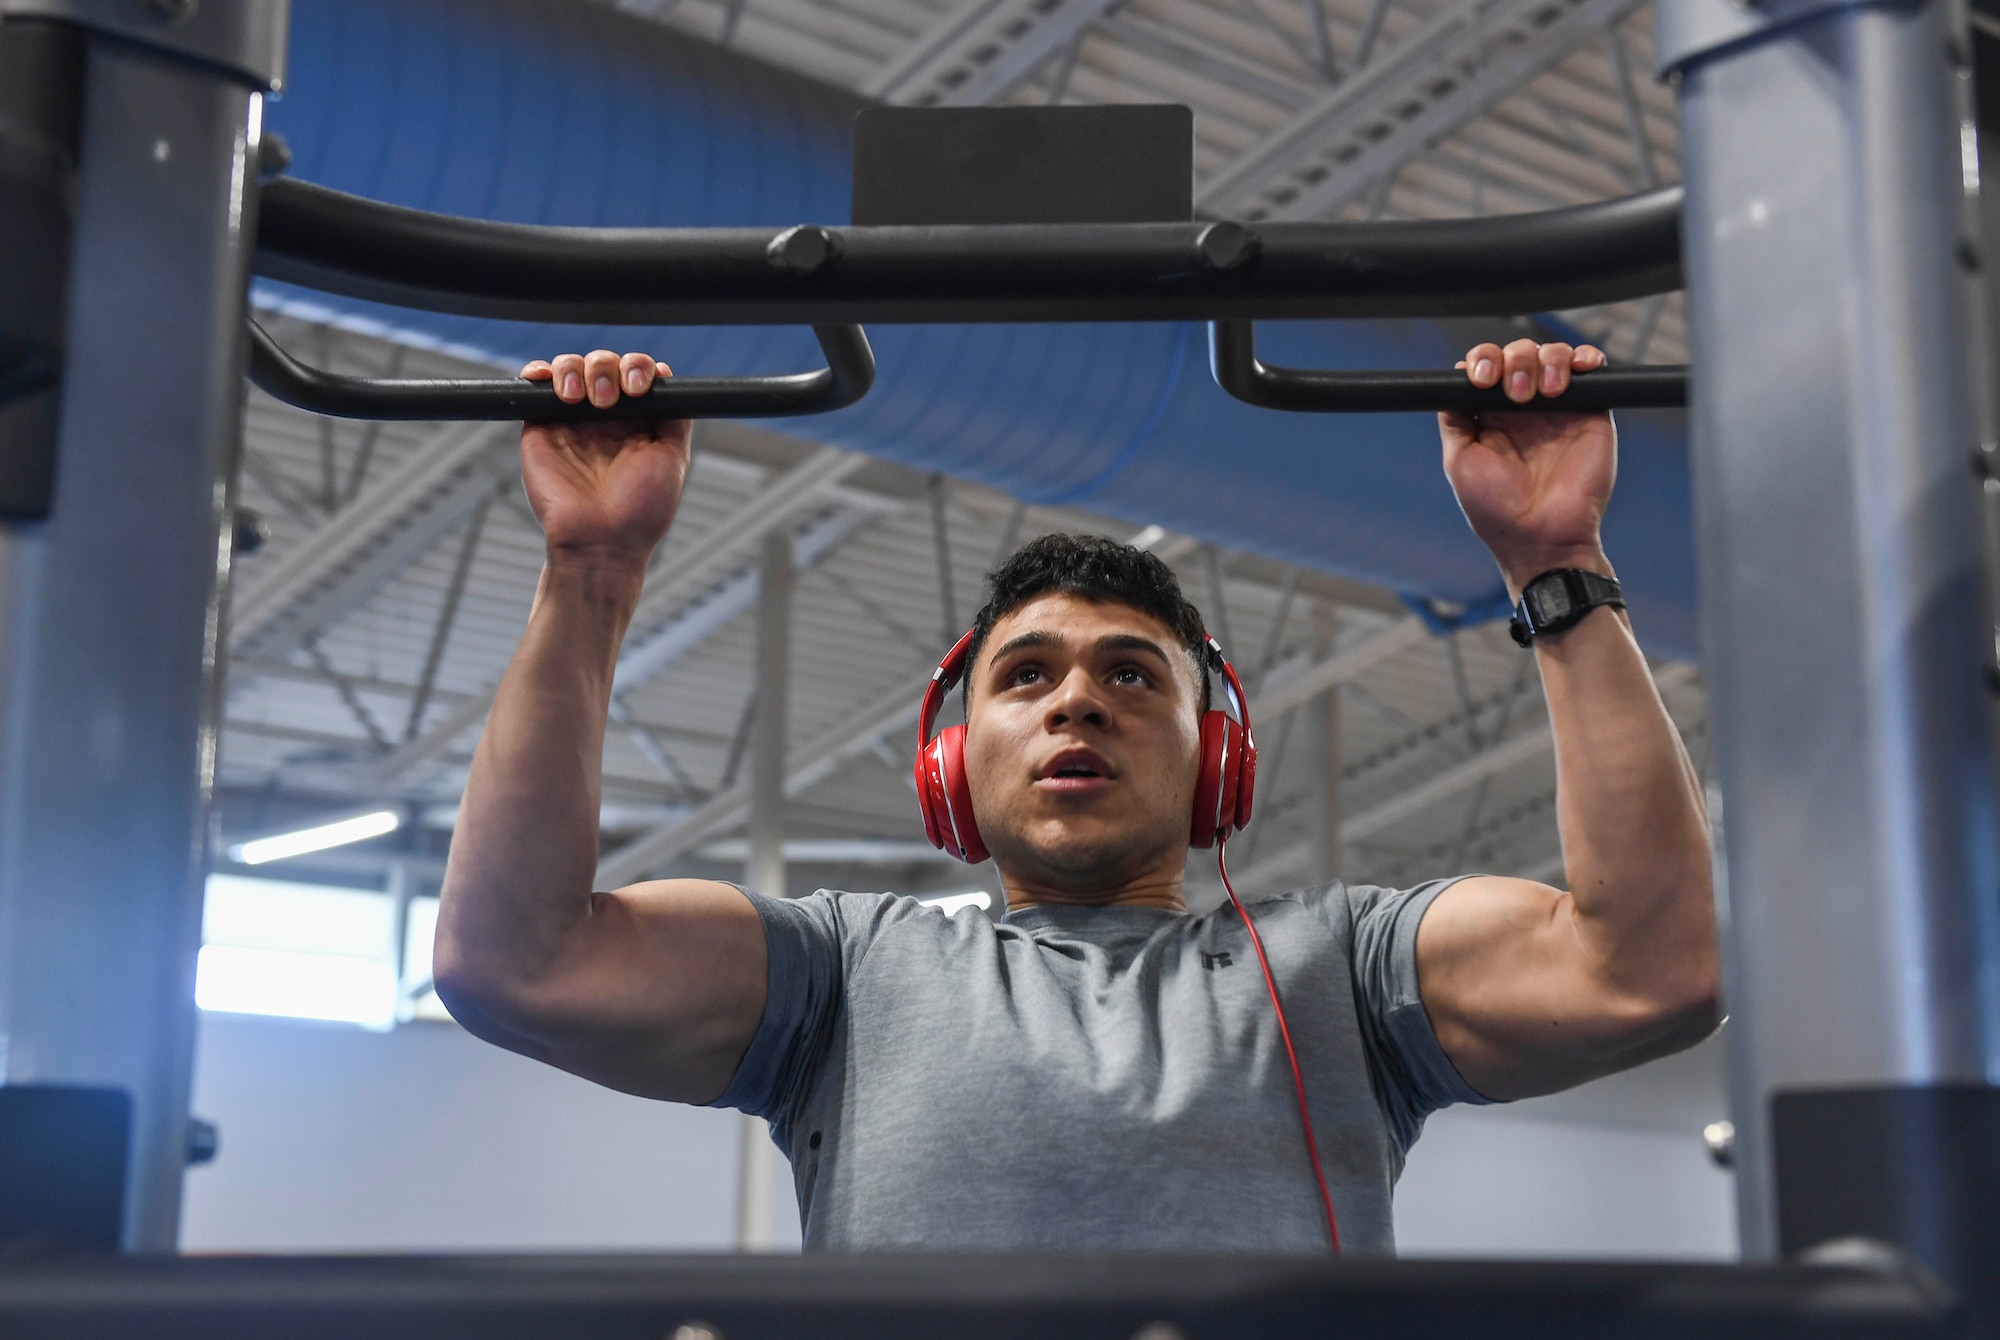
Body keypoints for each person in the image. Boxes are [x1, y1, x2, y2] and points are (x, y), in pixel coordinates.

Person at [433, 338, 1717, 1253]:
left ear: (1217, 760)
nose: (1075, 700)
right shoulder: (841, 976)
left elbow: (1646, 967)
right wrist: (589, 569)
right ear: (952, 763)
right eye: (1026, 675)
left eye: (1129, 675)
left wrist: (1555, 563)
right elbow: (515, 960)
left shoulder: (1340, 969)